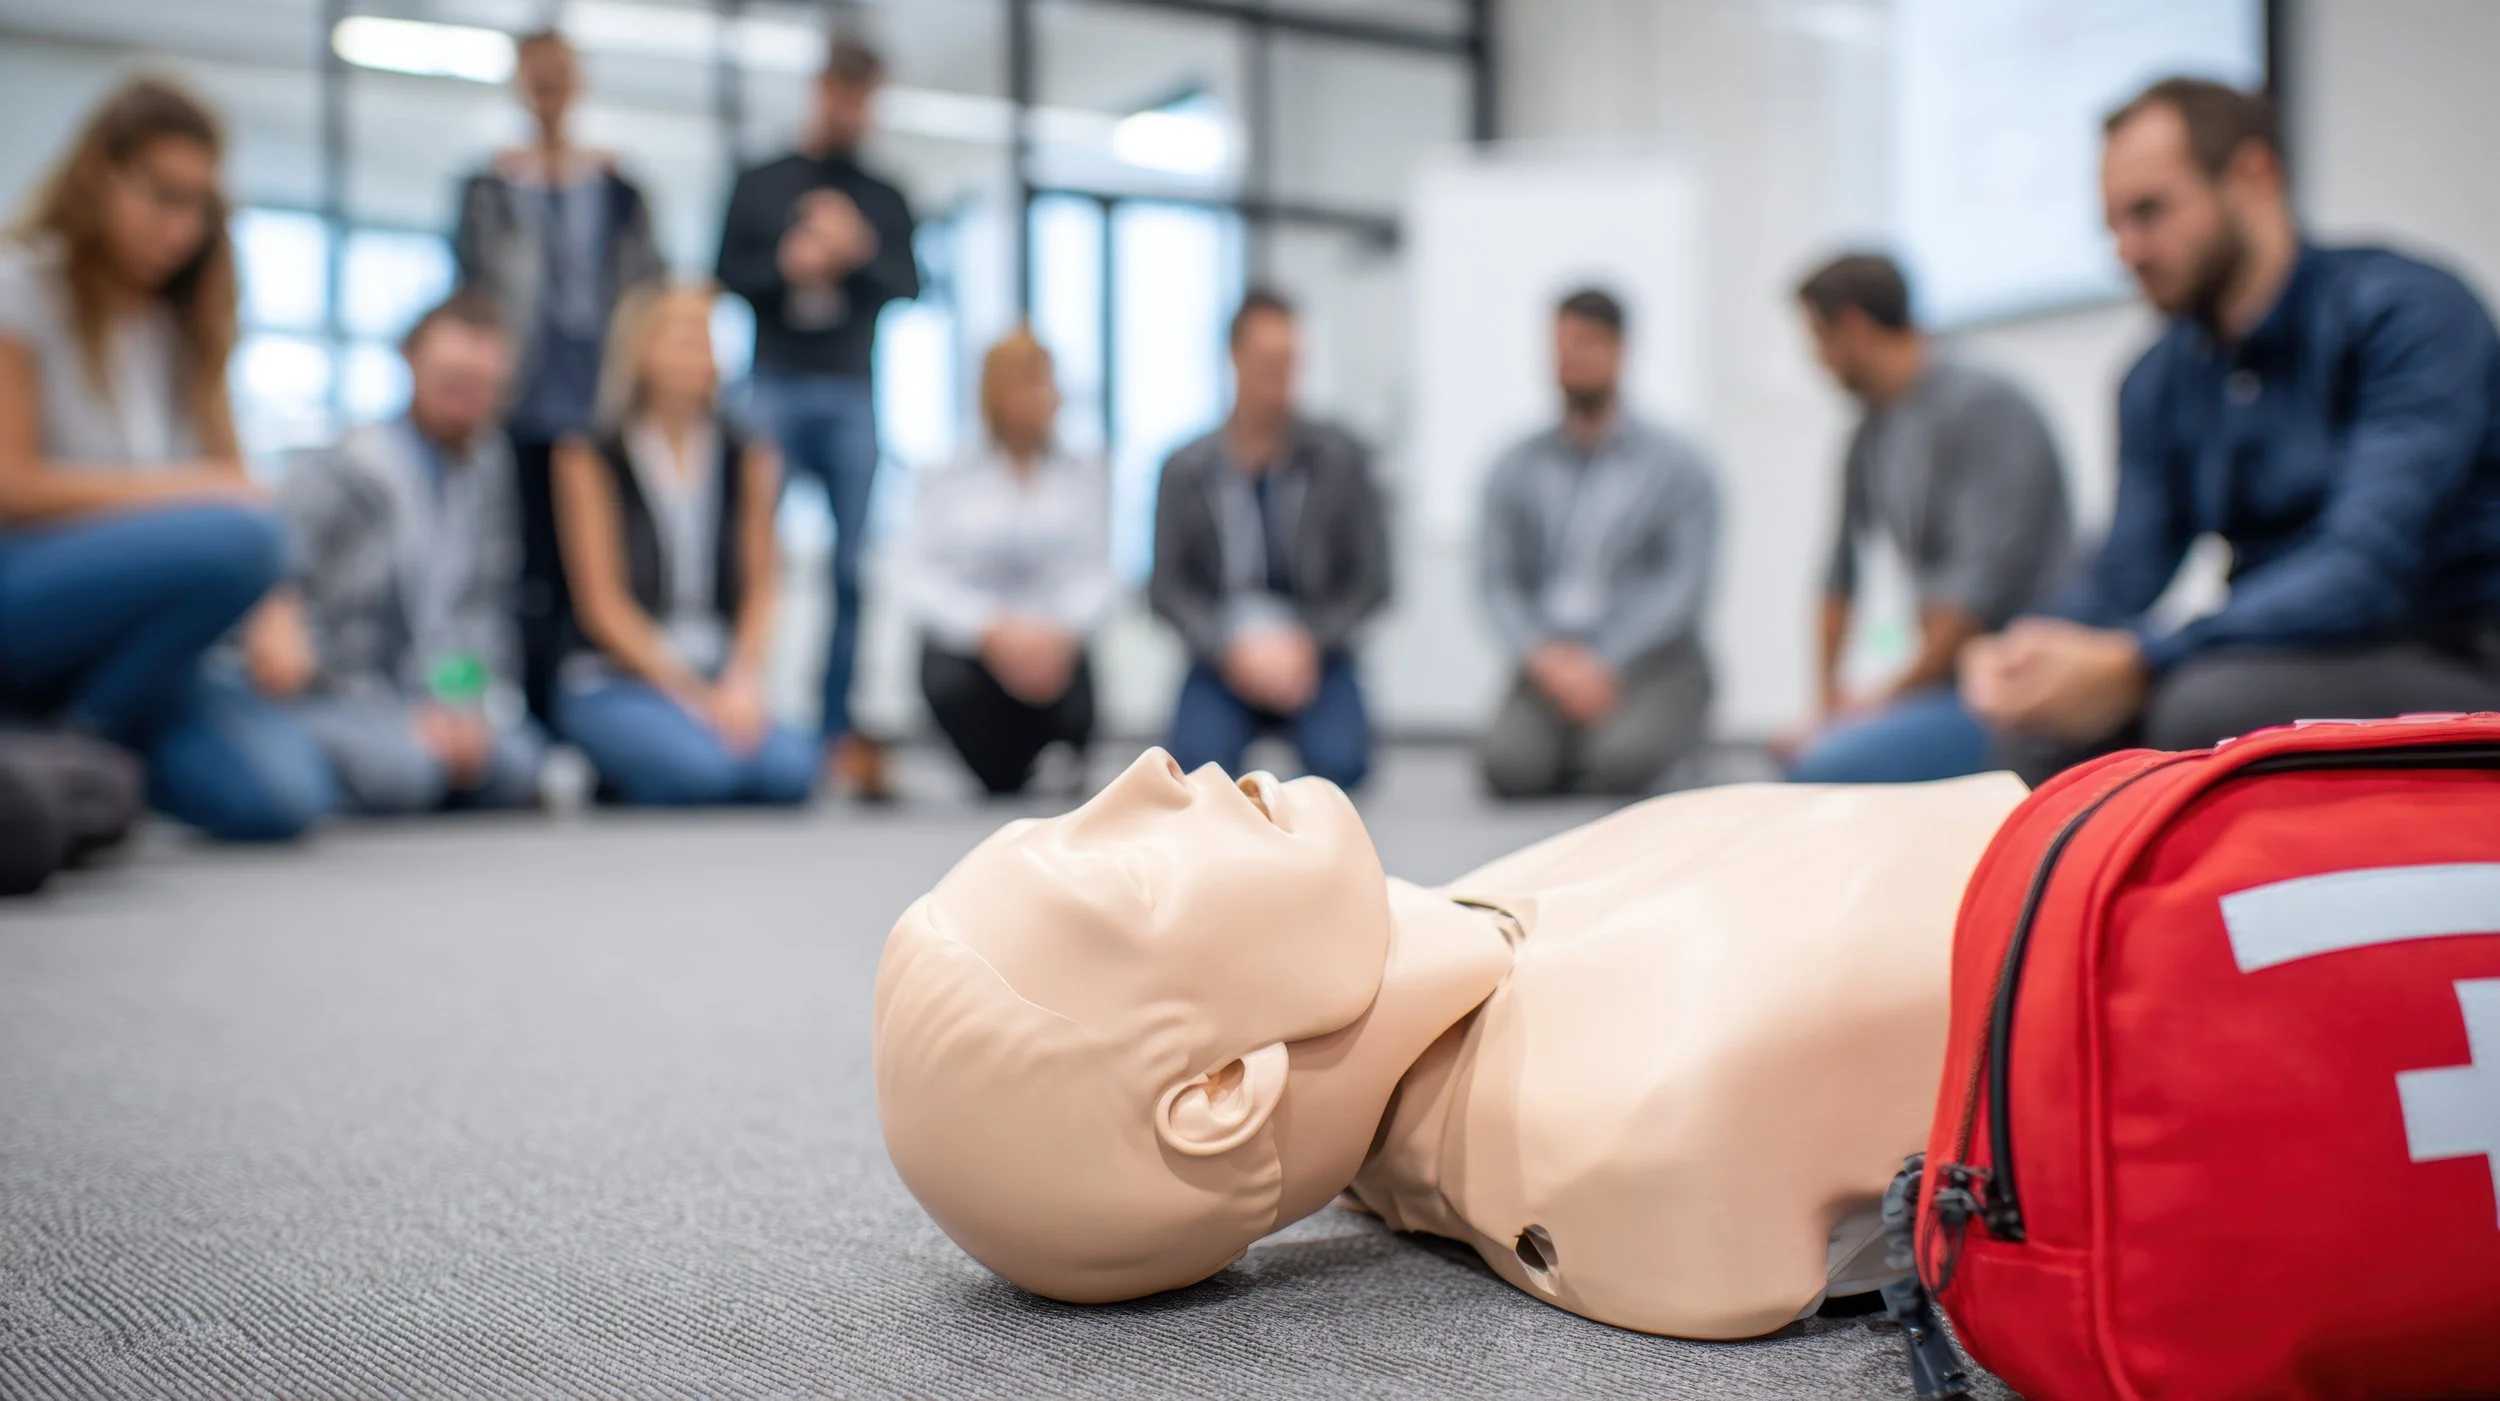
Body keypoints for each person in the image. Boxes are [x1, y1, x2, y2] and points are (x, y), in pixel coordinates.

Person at [875, 750, 2026, 1338]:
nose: (1141, 777)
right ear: (1221, 1092)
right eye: (1121, 871)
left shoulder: (1469, 926)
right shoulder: (1657, 1113)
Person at [1964, 78, 2500, 784]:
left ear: (2253, 174)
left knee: (2202, 707)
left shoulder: (2408, 313)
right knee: (2042, 732)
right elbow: (2124, 569)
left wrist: (2144, 658)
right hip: (2277, 653)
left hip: (2450, 648)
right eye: (2113, 225)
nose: (2126, 250)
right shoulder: (2158, 379)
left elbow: (2365, 566)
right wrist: (2028, 650)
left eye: (2149, 212)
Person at [0, 77, 330, 842]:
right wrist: (197, 490)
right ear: (98, 173)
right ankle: (78, 740)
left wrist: (276, 613)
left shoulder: (185, 323)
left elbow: (234, 486)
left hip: (130, 651)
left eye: (199, 206)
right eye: (163, 195)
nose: (181, 227)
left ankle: (76, 742)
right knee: (236, 534)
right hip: (26, 592)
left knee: (280, 796)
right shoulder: (21, 288)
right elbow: (10, 483)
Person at [243, 292, 546, 814]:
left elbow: (477, 607)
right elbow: (290, 624)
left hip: (422, 691)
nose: (468, 399)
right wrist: (404, 719)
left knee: (521, 767)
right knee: (405, 772)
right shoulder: (337, 470)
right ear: (411, 361)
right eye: (453, 381)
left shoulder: (487, 470)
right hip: (340, 690)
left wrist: (459, 709)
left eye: (485, 387)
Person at [716, 34, 919, 801]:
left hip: (849, 389)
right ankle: (742, 707)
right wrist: (789, 265)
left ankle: (837, 733)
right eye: (843, 93)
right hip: (771, 382)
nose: (853, 111)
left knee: (850, 568)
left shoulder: (883, 194)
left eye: (866, 98)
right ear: (819, 88)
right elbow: (724, 272)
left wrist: (858, 250)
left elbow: (910, 283)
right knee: (748, 558)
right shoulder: (762, 182)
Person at [1784, 254, 2074, 784]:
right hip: (1948, 683)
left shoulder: (1984, 408)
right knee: (1805, 753)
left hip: (2016, 682)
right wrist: (1824, 708)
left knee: (1825, 769)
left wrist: (1877, 704)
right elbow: (1838, 578)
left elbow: (1967, 601)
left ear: (1852, 326)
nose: (1816, 361)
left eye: (1818, 339)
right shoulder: (1870, 435)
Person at [453, 28, 667, 733]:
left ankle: (595, 726)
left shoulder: (619, 190)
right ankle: (529, 723)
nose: (549, 85)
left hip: (598, 408)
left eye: (561, 72)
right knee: (520, 570)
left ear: (581, 82)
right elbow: (472, 297)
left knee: (598, 573)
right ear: (519, 82)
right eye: (536, 72)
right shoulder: (486, 188)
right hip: (518, 410)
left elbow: (647, 293)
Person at [548, 281, 812, 807]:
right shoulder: (588, 452)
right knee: (704, 771)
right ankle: (631, 760)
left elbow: (763, 587)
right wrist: (693, 695)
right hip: (617, 677)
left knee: (792, 770)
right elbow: (602, 605)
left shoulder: (748, 452)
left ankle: (648, 764)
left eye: (710, 337)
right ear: (640, 348)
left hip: (715, 669)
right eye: (686, 336)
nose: (705, 352)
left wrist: (740, 682)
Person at [1477, 289, 1718, 799]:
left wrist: (1604, 659)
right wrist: (1542, 656)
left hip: (1650, 660)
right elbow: (1497, 581)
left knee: (1622, 763)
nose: (1572, 359)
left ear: (1620, 349)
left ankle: (1641, 732)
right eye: (1562, 345)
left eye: (1586, 343)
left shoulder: (1678, 467)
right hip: (1553, 658)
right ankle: (1569, 739)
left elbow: (1682, 587)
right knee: (1507, 767)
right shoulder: (1516, 466)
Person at [1150, 290, 1389, 793]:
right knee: (1197, 769)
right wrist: (1228, 648)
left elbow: (1371, 580)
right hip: (1223, 651)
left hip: (1314, 650)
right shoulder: (1186, 470)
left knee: (1341, 766)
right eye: (1267, 362)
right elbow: (1168, 589)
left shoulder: (1341, 460)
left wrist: (1309, 642)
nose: (1279, 378)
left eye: (1290, 362)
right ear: (1234, 358)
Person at [897, 330, 1112, 798]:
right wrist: (990, 630)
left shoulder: (1083, 473)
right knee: (947, 679)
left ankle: (1059, 757)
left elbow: (1097, 573)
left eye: (1041, 383)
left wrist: (1054, 632)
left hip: (1054, 645)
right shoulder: (947, 475)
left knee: (1077, 687)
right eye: (1019, 383)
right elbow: (919, 577)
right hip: (977, 649)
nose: (1034, 397)